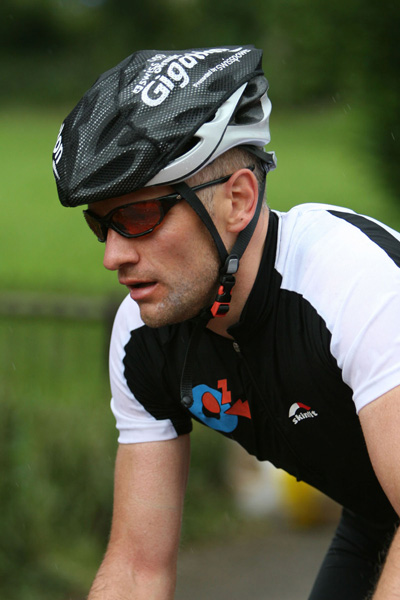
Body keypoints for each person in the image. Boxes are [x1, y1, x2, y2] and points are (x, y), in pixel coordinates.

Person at [52, 45, 400, 599]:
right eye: (101, 225)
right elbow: (137, 571)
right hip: (378, 513)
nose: (112, 256)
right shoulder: (141, 335)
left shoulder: (353, 283)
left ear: (237, 200)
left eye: (138, 216)